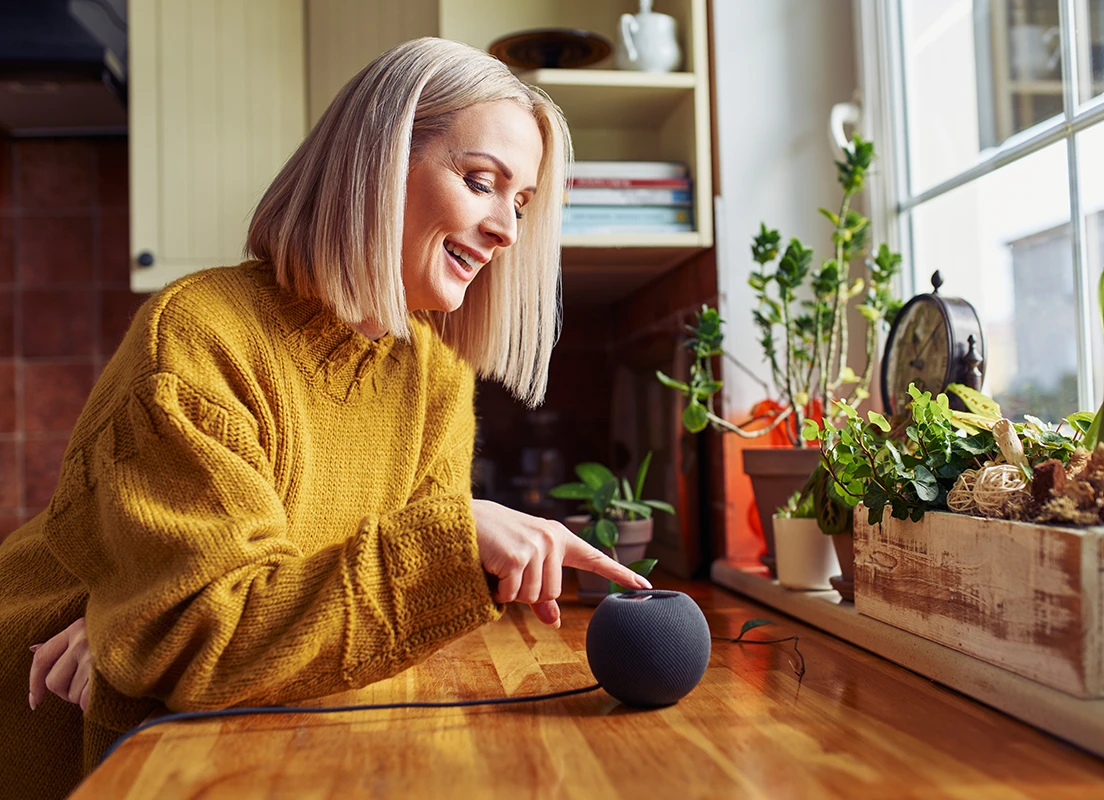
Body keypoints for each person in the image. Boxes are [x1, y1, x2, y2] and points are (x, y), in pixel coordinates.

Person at [0, 37, 651, 799]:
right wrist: (150, 625)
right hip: (39, 697)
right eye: (481, 182)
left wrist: (139, 628)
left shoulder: (434, 380)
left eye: (521, 202)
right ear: (377, 162)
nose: (508, 228)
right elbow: (207, 635)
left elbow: (324, 623)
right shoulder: (199, 334)